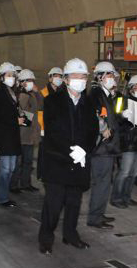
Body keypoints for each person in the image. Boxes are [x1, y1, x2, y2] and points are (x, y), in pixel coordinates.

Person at [38, 58, 98, 254]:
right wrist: (71, 151)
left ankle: (70, 235)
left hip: (79, 163)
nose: (80, 80)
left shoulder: (88, 103)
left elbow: (93, 131)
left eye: (83, 77)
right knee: (53, 206)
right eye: (76, 76)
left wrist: (84, 149)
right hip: (57, 161)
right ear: (65, 79)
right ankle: (46, 239)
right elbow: (52, 133)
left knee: (74, 203)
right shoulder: (52, 101)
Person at [86, 61, 121, 230]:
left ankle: (99, 212)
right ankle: (94, 217)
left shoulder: (106, 95)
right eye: (109, 75)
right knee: (101, 182)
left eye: (112, 75)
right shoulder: (96, 94)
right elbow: (93, 115)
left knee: (105, 182)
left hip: (108, 147)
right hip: (101, 148)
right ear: (100, 77)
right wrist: (103, 128)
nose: (112, 78)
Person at [111, 74, 137, 209]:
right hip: (127, 143)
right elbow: (117, 118)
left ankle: (126, 197)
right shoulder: (122, 100)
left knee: (133, 174)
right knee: (124, 172)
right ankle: (116, 198)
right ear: (131, 88)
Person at [0, 62, 23, 207]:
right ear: (2, 77)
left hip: (12, 136)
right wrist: (14, 119)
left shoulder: (11, 92)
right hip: (4, 137)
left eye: (13, 76)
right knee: (4, 169)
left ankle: (4, 195)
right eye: (9, 75)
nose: (12, 78)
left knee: (11, 168)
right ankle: (1, 197)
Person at [11, 69, 42, 192]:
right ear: (21, 82)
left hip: (29, 135)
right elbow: (23, 115)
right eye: (28, 81)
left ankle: (25, 183)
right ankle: (14, 185)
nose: (31, 83)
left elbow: (41, 105)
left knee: (27, 162)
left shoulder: (32, 94)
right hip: (22, 135)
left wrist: (37, 92)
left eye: (32, 81)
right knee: (19, 163)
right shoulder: (21, 95)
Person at [36, 67, 65, 180]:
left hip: (57, 129)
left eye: (60, 76)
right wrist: (42, 128)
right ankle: (42, 174)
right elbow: (40, 112)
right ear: (50, 78)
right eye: (55, 76)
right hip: (46, 128)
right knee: (44, 152)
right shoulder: (44, 92)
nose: (58, 78)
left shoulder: (61, 92)